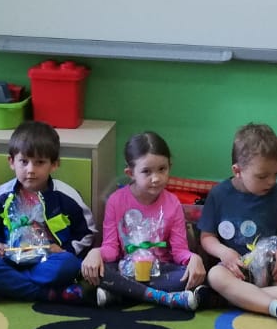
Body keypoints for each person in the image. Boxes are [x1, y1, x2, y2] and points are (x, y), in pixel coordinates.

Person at [81, 131, 209, 311]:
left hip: (161, 270)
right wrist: (96, 253)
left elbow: (179, 251)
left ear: (170, 167)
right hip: (125, 268)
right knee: (99, 271)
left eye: (162, 169)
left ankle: (121, 293)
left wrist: (193, 258)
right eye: (146, 172)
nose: (156, 178)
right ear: (130, 173)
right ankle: (164, 298)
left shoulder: (173, 203)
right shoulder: (116, 201)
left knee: (191, 276)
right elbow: (111, 248)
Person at [0, 119, 97, 303]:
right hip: (12, 261)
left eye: (39, 162)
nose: (30, 170)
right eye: (24, 162)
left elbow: (87, 232)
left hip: (49, 261)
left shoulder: (65, 195)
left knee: (69, 264)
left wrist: (65, 249)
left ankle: (9, 288)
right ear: (11, 161)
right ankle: (49, 294)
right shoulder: (3, 194)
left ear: (54, 164)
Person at [198, 122, 277, 329]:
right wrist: (224, 252)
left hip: (272, 266)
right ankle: (276, 307)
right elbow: (207, 236)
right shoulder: (218, 194)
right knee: (215, 276)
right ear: (237, 171)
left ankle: (235, 299)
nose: (271, 181)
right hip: (236, 268)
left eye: (276, 173)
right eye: (262, 176)